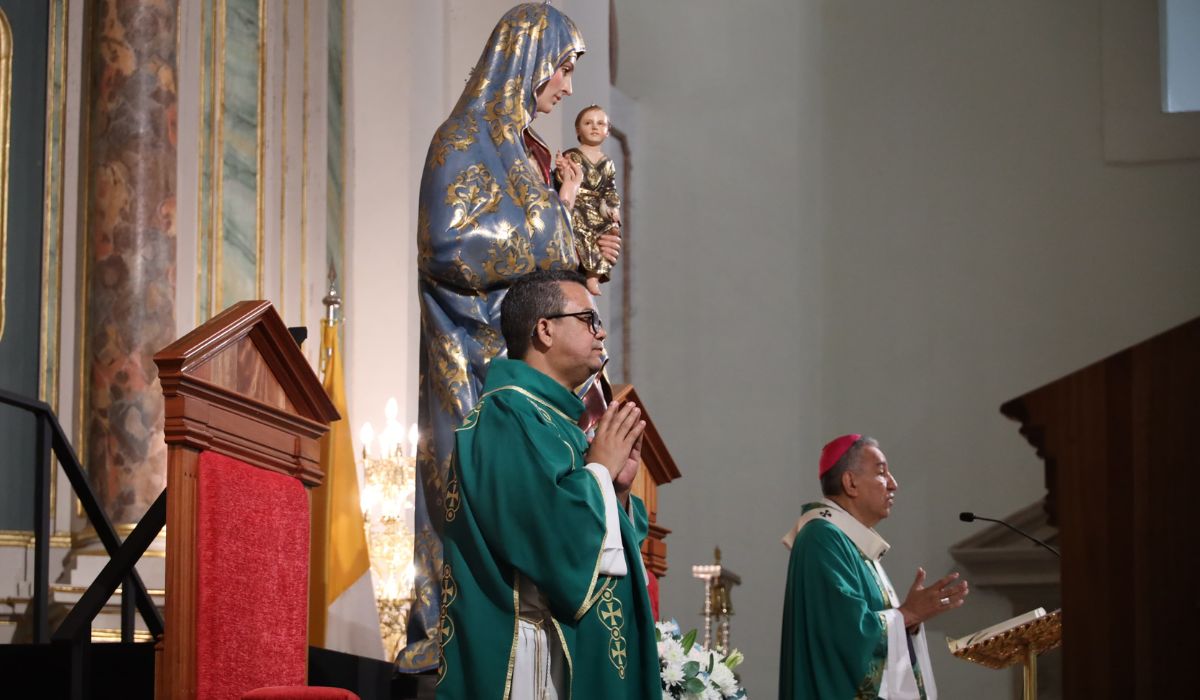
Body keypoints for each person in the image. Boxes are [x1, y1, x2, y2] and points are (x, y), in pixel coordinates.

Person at [404, 3, 620, 671]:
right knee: (472, 498)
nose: (567, 88)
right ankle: (453, 639)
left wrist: (581, 255)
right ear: (528, 61)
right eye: (562, 69)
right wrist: (556, 226)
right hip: (472, 362)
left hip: (531, 369)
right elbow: (448, 245)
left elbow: (546, 259)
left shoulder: (529, 155)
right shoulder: (460, 141)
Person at [437, 269, 661, 699]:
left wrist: (616, 491)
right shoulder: (505, 415)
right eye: (589, 320)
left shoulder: (557, 422)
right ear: (544, 329)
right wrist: (598, 471)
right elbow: (545, 537)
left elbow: (602, 554)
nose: (601, 333)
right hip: (529, 656)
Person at [779, 435, 969, 700]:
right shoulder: (822, 538)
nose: (893, 484)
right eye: (881, 472)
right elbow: (845, 632)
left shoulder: (852, 542)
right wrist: (908, 614)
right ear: (850, 482)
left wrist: (909, 621)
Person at [555, 105, 622, 296]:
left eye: (600, 124)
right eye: (588, 123)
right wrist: (561, 170)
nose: (594, 127)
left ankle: (593, 276)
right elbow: (565, 179)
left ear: (607, 131)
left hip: (597, 207)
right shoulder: (573, 155)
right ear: (578, 130)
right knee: (579, 228)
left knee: (609, 231)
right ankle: (577, 265)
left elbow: (609, 189)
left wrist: (613, 208)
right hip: (578, 203)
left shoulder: (607, 162)